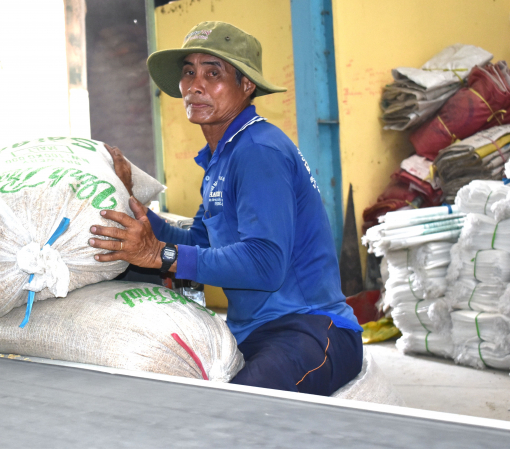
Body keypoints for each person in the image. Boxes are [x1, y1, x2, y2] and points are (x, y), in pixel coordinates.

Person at [90, 21, 363, 396]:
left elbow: (266, 265)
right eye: (189, 72)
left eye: (213, 73)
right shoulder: (222, 157)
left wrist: (161, 254)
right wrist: (132, 205)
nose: (195, 86)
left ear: (246, 85)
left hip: (309, 328)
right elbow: (199, 241)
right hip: (256, 332)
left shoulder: (258, 151)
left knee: (234, 416)